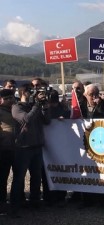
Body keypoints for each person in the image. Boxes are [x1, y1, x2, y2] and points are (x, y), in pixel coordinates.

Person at [10, 83, 51, 217]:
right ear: (23, 92)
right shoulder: (16, 107)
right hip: (23, 148)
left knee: (36, 177)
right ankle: (15, 205)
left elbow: (47, 121)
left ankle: (35, 202)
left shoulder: (34, 106)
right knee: (19, 178)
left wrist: (45, 107)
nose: (31, 93)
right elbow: (26, 119)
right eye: (29, 91)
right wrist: (37, 105)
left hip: (36, 146)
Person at [0, 89, 17, 212]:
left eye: (11, 97)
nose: (10, 100)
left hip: (17, 148)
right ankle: (2, 202)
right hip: (4, 149)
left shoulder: (16, 109)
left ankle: (16, 200)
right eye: (7, 98)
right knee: (2, 177)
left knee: (18, 176)